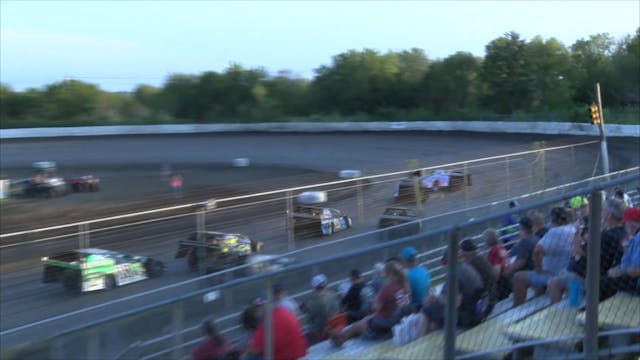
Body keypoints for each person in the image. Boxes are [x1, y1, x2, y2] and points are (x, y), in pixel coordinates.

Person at [547, 198, 626, 303]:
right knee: (563, 276)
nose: (602, 213)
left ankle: (564, 311)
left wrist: (578, 234)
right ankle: (570, 304)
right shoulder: (621, 231)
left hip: (584, 276)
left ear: (609, 215)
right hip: (583, 271)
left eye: (604, 211)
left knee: (553, 283)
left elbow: (578, 252)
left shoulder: (606, 235)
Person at [329, 261, 411, 346]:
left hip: (385, 325)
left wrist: (376, 300)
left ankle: (341, 338)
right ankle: (343, 335)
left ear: (387, 273)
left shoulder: (387, 288)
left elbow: (375, 308)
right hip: (397, 321)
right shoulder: (405, 285)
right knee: (366, 320)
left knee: (358, 326)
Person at [512, 207, 575, 306]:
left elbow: (537, 251)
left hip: (554, 274)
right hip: (568, 271)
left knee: (518, 277)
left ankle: (516, 309)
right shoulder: (573, 228)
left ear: (553, 219)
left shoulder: (555, 231)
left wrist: (538, 269)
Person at [421, 245, 486, 332]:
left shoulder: (454, 274)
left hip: (466, 316)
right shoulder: (468, 267)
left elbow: (456, 303)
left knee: (427, 310)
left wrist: (436, 298)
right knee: (435, 311)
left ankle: (419, 341)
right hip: (476, 311)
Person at [600, 207, 640, 300]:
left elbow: (636, 270)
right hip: (631, 276)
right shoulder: (633, 238)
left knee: (604, 283)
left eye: (626, 223)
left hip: (636, 280)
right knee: (606, 278)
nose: (624, 226)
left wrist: (620, 271)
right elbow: (625, 263)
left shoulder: (638, 238)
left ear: (632, 224)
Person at [459, 238, 497, 318]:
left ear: (464, 253)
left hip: (481, 307)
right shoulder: (481, 260)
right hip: (490, 301)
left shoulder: (471, 265)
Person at [300, 274, 341, 345]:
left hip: (322, 331)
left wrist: (304, 309)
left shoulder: (313, 301)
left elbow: (311, 317)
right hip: (335, 326)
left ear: (314, 287)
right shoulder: (332, 294)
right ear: (325, 284)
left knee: (305, 330)